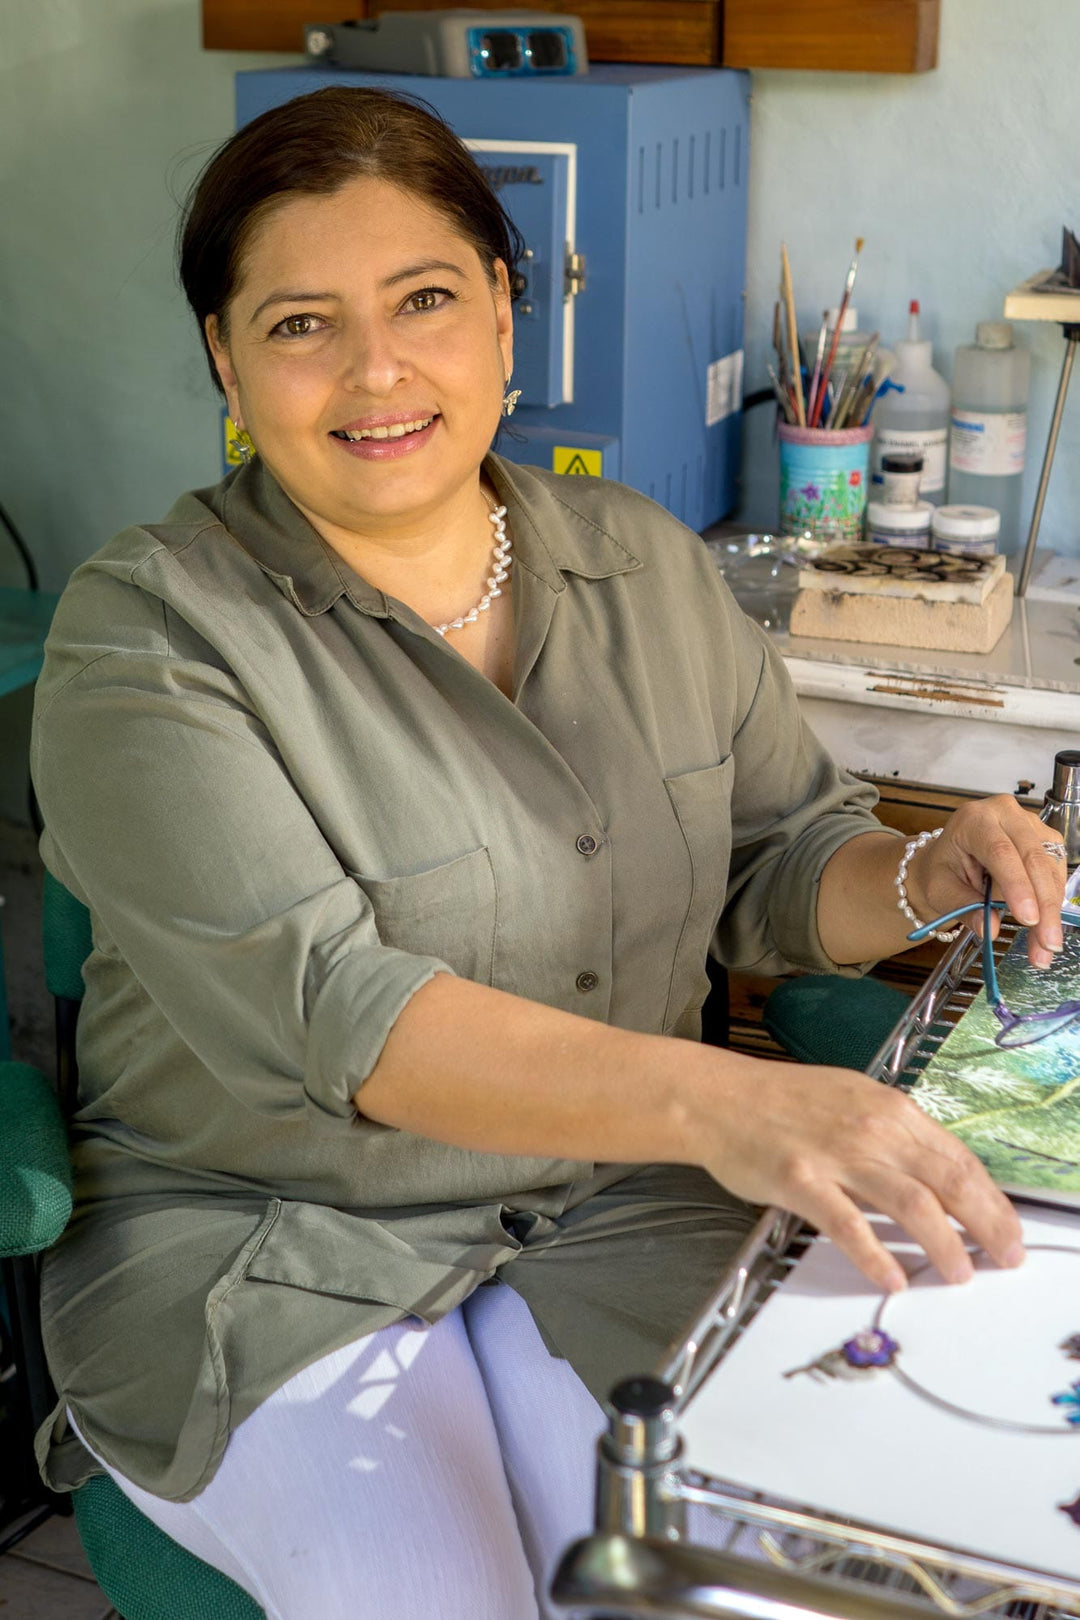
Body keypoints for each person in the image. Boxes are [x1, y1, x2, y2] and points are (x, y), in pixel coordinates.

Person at [30, 86, 1064, 1620]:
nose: (378, 370)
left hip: (617, 1201)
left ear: (507, 317)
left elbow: (786, 855)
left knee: (753, 1577)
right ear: (225, 361)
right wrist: (738, 1102)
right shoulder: (150, 632)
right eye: (302, 323)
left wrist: (937, 872)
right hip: (264, 1236)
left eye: (427, 300)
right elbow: (339, 1014)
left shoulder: (642, 561)